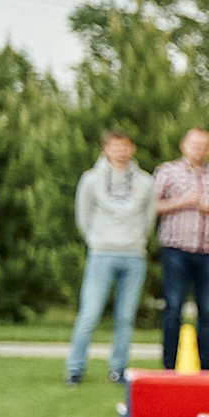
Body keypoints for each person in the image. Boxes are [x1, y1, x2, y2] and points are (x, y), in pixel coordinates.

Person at [64, 128, 157, 386]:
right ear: (105, 149)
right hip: (101, 253)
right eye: (115, 146)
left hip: (133, 256)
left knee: (125, 317)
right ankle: (75, 368)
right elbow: (83, 216)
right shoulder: (91, 179)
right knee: (90, 314)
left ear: (132, 149)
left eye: (125, 146)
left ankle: (118, 369)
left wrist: (137, 239)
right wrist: (97, 239)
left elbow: (150, 218)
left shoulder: (145, 182)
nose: (120, 151)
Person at [152, 126, 209, 369]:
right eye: (195, 145)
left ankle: (207, 366)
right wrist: (182, 202)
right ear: (183, 145)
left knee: (207, 311)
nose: (200, 150)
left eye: (204, 146)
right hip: (175, 249)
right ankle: (169, 365)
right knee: (173, 308)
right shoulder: (167, 171)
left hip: (207, 251)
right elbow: (152, 205)